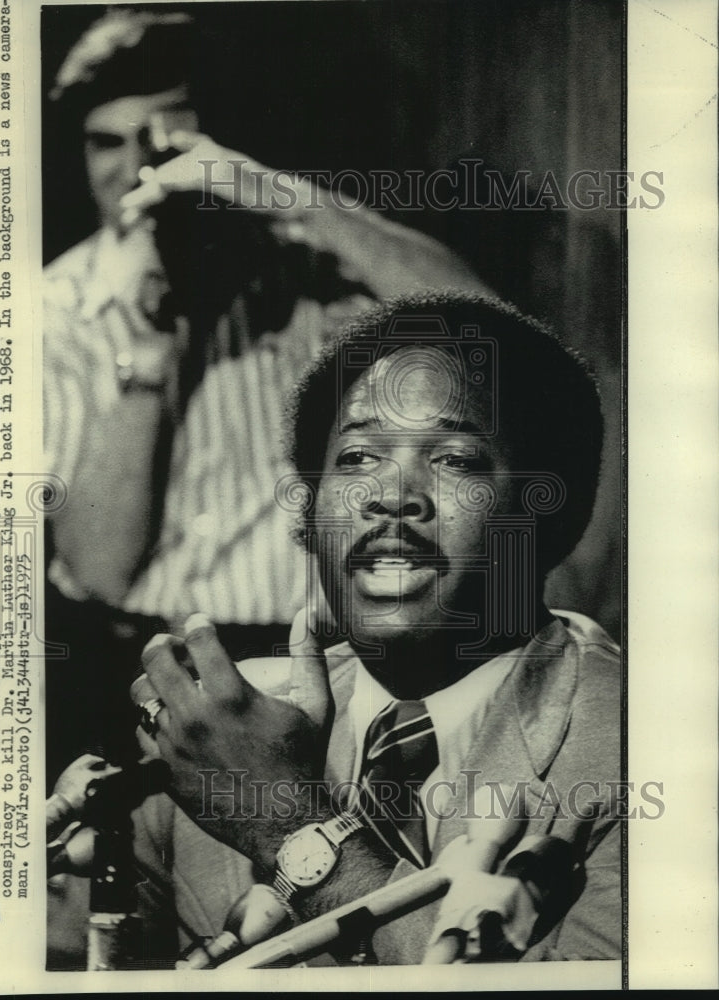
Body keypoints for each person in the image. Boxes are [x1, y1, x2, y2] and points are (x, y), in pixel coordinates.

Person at [104, 290, 620, 967]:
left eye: (454, 458)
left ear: (549, 510)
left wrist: (289, 824)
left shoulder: (643, 747)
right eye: (356, 458)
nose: (391, 494)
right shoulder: (211, 734)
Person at [42, 7, 487, 781]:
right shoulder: (55, 309)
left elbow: (486, 327)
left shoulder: (311, 260)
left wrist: (279, 196)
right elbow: (100, 569)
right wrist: (150, 344)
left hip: (363, 658)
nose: (134, 169)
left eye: (164, 137)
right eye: (104, 142)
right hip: (172, 668)